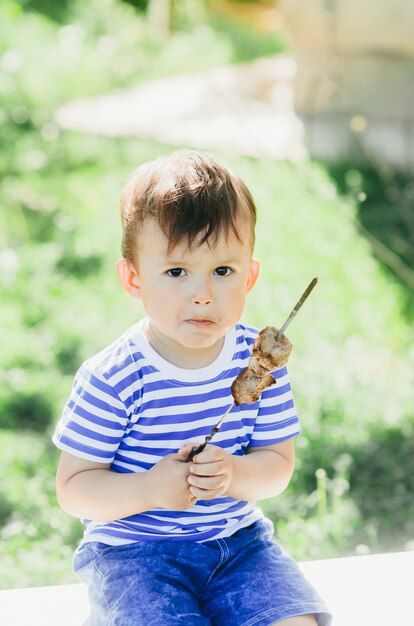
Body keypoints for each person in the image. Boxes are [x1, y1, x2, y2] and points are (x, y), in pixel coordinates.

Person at [53, 149, 331, 626]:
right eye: (177, 272)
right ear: (134, 278)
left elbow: (277, 466)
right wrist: (147, 489)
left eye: (223, 271)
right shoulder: (114, 377)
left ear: (250, 276)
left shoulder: (260, 363)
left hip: (238, 548)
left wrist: (235, 475)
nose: (202, 293)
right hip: (135, 557)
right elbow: (74, 490)